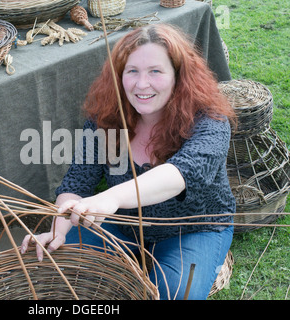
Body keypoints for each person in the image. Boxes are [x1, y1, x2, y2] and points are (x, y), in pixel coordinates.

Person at [21, 23, 237, 300]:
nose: (141, 84)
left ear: (178, 76)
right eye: (132, 71)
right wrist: (58, 229)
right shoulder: (107, 120)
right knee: (59, 271)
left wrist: (111, 198)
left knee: (173, 293)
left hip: (192, 228)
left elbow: (181, 174)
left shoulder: (210, 120)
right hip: (122, 223)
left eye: (155, 71)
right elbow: (77, 183)